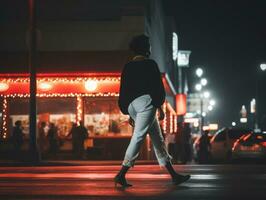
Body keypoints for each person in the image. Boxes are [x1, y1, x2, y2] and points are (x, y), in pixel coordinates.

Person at [115, 34, 190, 187]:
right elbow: (156, 88)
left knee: (157, 139)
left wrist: (128, 112)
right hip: (146, 103)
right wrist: (160, 106)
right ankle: (121, 174)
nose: (150, 47)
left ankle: (174, 175)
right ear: (145, 48)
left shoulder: (127, 66)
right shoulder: (150, 64)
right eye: (148, 44)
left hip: (131, 105)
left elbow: (123, 90)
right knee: (138, 136)